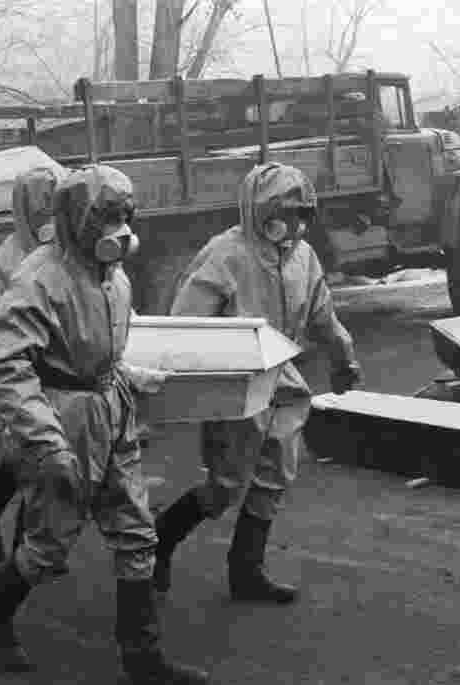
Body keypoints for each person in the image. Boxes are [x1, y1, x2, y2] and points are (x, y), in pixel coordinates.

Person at [0, 165, 210, 684]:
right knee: (49, 542)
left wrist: (126, 374)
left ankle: (143, 659)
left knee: (136, 533)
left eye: (125, 217)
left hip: (111, 414)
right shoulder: (41, 279)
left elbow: (95, 349)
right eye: (105, 217)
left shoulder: (115, 278)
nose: (118, 230)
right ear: (77, 219)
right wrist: (45, 439)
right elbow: (2, 363)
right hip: (63, 422)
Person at [152, 162, 362, 605]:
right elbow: (187, 324)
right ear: (257, 210)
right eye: (284, 212)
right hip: (235, 378)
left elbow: (323, 315)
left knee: (276, 473)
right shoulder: (226, 254)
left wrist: (343, 357)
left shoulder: (303, 256)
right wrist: (178, 384)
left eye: (303, 213)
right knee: (227, 484)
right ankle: (161, 541)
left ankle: (246, 570)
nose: (295, 224)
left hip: (281, 373)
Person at [0, 164, 66, 564]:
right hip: (22, 375)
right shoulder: (0, 263)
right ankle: (21, 558)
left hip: (65, 375)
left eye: (53, 212)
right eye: (39, 213)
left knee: (35, 456)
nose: (47, 223)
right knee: (38, 463)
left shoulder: (69, 254)